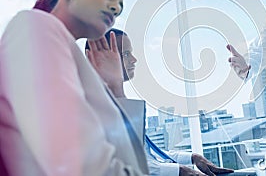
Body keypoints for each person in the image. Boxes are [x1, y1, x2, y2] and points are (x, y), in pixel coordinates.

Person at [0, 0, 149, 175]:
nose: (115, 8)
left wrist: (113, 86)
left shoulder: (67, 57)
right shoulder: (35, 26)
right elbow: (77, 159)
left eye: (120, 7)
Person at [86, 28, 234, 176]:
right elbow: (130, 163)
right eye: (125, 54)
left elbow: (148, 155)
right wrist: (180, 171)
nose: (134, 59)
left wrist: (192, 158)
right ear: (96, 60)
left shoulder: (116, 100)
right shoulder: (89, 107)